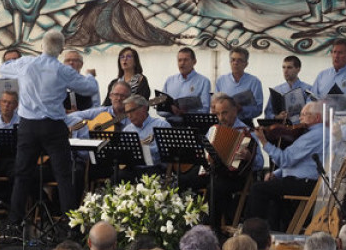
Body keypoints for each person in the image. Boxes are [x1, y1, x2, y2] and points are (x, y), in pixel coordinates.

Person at [0, 30, 97, 238]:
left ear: (41, 46)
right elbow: (88, 89)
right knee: (63, 175)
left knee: (22, 174)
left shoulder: (25, 64)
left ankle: (14, 224)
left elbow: (3, 69)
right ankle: (71, 225)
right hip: (53, 126)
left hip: (28, 126)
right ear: (61, 49)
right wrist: (90, 75)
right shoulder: (63, 70)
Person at [180, 94, 260, 236]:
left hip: (235, 177)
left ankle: (213, 228)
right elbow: (205, 152)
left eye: (225, 113)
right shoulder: (213, 129)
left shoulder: (247, 133)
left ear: (235, 111)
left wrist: (248, 157)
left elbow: (260, 163)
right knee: (183, 180)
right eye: (218, 114)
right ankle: (185, 223)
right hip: (211, 171)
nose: (221, 117)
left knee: (215, 185)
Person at [247, 102, 326, 231]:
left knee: (257, 189)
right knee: (273, 191)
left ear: (317, 118)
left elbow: (285, 159)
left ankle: (253, 232)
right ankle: (276, 231)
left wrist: (264, 142)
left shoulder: (313, 136)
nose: (300, 119)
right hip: (305, 181)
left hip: (305, 184)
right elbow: (300, 162)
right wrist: (277, 173)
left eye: (304, 115)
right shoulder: (319, 133)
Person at [120, 95, 171, 183]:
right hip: (133, 168)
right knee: (115, 178)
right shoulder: (127, 130)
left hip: (154, 168)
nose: (129, 115)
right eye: (127, 112)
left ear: (143, 108)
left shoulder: (162, 125)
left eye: (132, 111)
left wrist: (142, 149)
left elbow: (166, 153)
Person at [159, 48, 211, 125]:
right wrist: (170, 110)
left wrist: (187, 113)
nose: (182, 63)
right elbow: (160, 109)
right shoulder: (170, 81)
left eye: (186, 60)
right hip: (170, 125)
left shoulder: (203, 81)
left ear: (194, 62)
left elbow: (205, 109)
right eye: (179, 60)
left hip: (192, 125)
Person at [215, 47, 263, 123]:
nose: (235, 63)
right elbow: (215, 105)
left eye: (239, 60)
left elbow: (259, 109)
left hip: (245, 123)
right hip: (224, 123)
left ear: (246, 64)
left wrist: (242, 109)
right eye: (233, 60)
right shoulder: (221, 80)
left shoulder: (254, 82)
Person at [264, 55, 312, 124]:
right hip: (280, 128)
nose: (285, 71)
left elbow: (311, 113)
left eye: (289, 67)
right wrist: (277, 117)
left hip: (301, 128)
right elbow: (268, 113)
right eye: (283, 67)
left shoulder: (308, 89)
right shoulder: (277, 90)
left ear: (298, 69)